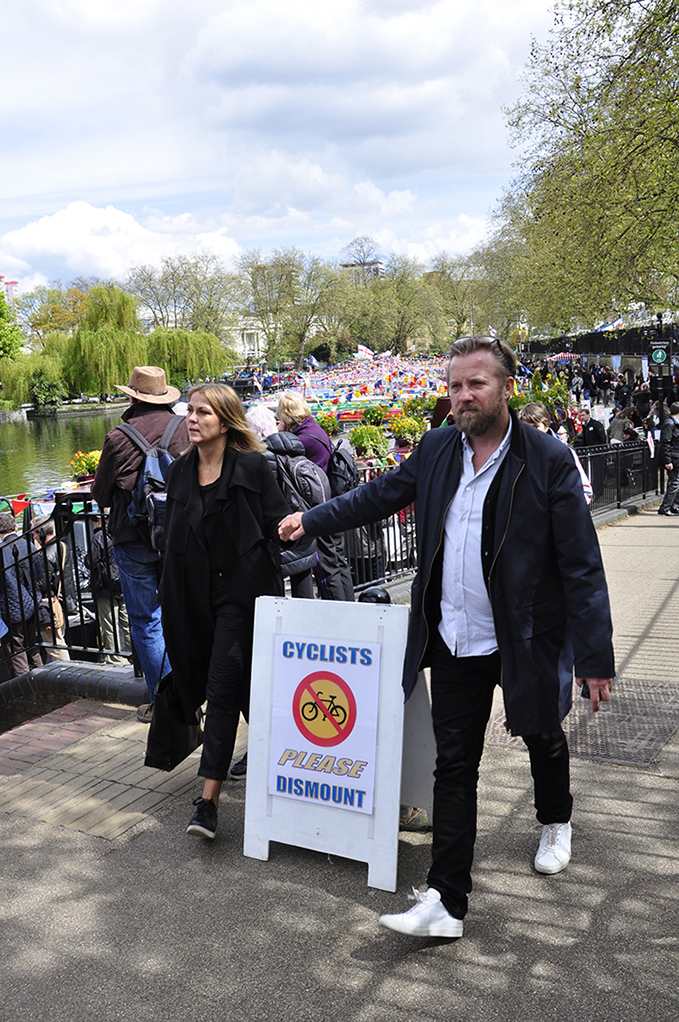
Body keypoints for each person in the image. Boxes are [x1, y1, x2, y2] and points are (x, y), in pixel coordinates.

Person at [279, 335, 614, 939]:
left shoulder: (546, 459)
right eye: (454, 384)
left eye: (475, 384)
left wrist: (594, 655)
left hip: (524, 633)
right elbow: (379, 495)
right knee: (454, 766)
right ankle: (446, 900)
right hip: (453, 636)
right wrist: (312, 518)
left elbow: (582, 564)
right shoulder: (437, 448)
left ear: (507, 388)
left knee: (541, 732)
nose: (462, 395)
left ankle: (555, 818)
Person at [157, 383, 290, 840]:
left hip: (241, 598)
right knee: (249, 694)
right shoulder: (179, 473)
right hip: (193, 601)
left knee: (221, 691)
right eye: (189, 411)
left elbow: (280, 525)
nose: (192, 419)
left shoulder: (253, 467)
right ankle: (297, 769)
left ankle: (208, 802)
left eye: (203, 413)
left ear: (225, 420)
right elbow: (168, 536)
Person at [91, 366, 189, 722]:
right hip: (180, 535)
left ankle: (165, 702)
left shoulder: (118, 437)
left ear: (131, 396)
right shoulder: (184, 430)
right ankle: (196, 692)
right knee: (186, 613)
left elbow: (101, 493)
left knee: (147, 622)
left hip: (133, 539)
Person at [276, 391, 354, 601]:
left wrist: (281, 434)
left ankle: (337, 614)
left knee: (327, 568)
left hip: (319, 509)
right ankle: (349, 609)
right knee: (338, 562)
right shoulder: (316, 430)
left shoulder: (302, 440)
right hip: (333, 504)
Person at [516, 402, 592, 504]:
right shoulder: (516, 454)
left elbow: (585, 491)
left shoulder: (563, 452)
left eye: (535, 427)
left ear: (546, 425)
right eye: (526, 428)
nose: (530, 432)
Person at [0, 513, 43, 681]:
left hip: (10, 607)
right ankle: (42, 681)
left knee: (15, 651)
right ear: (16, 527)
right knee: (33, 646)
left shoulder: (2, 551)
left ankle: (25, 690)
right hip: (31, 603)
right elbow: (38, 572)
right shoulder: (28, 545)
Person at [657, 402, 679, 516]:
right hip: (673, 458)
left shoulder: (674, 423)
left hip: (676, 456)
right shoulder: (670, 424)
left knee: (676, 483)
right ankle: (665, 507)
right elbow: (665, 443)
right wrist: (668, 461)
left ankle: (674, 506)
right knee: (674, 483)